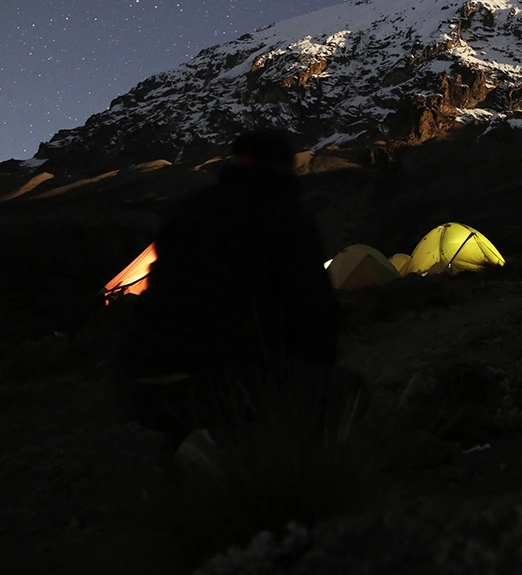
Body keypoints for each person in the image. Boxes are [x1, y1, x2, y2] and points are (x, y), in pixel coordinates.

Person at [114, 130, 352, 451]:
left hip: (143, 385)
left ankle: (183, 443)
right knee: (345, 391)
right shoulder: (286, 219)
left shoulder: (186, 213)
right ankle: (247, 459)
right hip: (226, 382)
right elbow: (313, 311)